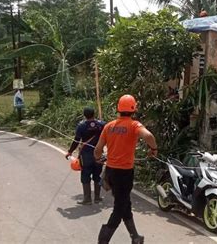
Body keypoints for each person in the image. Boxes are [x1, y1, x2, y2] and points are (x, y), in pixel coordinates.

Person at [94, 95, 158, 244]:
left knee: (124, 204)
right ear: (133, 109)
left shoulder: (109, 126)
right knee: (119, 208)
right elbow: (148, 136)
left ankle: (135, 237)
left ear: (119, 109)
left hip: (110, 171)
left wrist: (98, 159)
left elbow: (97, 150)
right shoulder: (134, 125)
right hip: (124, 173)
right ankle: (103, 240)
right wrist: (154, 149)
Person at [65, 107, 105, 205]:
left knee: (85, 175)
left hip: (86, 155)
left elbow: (76, 140)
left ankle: (87, 199)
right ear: (94, 114)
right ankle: (97, 197)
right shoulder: (102, 124)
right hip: (98, 153)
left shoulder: (81, 126)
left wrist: (70, 151)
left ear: (84, 115)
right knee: (97, 175)